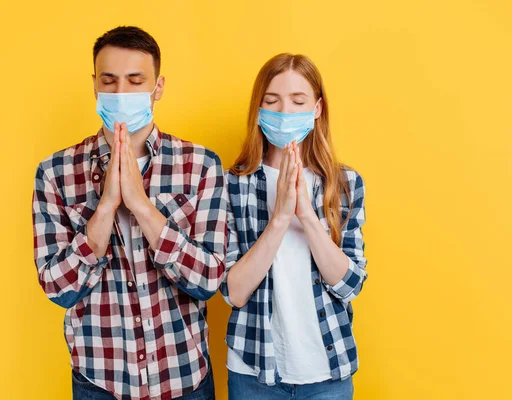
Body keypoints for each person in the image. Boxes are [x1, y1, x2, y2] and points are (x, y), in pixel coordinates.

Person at [31, 26, 227, 400]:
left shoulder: (200, 165)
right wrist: (105, 208)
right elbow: (59, 288)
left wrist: (140, 204)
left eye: (136, 80)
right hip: (100, 381)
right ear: (94, 85)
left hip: (184, 379)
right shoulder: (54, 172)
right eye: (109, 81)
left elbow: (208, 278)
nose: (121, 93)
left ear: (158, 87)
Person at [220, 53, 368, 400]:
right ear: (257, 110)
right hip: (253, 373)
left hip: (328, 374)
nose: (285, 112)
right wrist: (280, 219)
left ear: (317, 108)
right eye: (271, 101)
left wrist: (306, 215)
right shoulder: (232, 184)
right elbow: (233, 291)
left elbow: (350, 284)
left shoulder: (344, 183)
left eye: (298, 101)